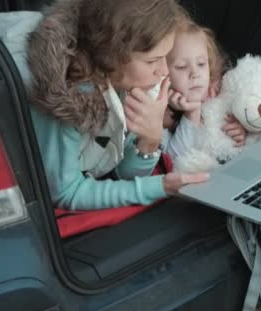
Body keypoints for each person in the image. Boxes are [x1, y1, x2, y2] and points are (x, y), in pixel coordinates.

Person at [26, 0, 230, 211]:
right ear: (113, 56)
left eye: (165, 58)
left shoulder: (131, 81)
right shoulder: (66, 97)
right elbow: (65, 193)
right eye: (153, 61)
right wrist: (161, 187)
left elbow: (122, 174)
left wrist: (149, 141)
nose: (164, 70)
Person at [163, 21, 246, 158]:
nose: (195, 73)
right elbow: (173, 161)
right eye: (182, 66)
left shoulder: (220, 94)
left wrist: (241, 132)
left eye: (201, 64)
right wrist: (192, 113)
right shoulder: (162, 116)